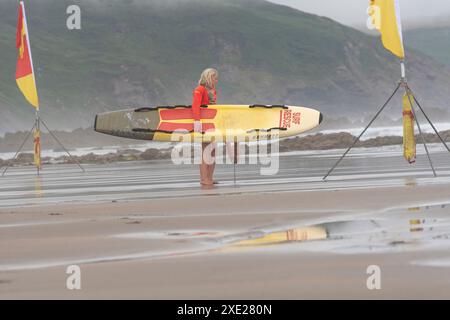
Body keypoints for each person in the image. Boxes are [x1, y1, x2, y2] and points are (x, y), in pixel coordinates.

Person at [192, 68, 218, 186]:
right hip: (203, 124)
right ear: (208, 77)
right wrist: (197, 121)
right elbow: (195, 106)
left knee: (213, 151)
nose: (216, 81)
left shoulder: (213, 91)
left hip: (212, 124)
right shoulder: (199, 89)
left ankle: (209, 178)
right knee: (205, 151)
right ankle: (204, 179)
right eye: (214, 78)